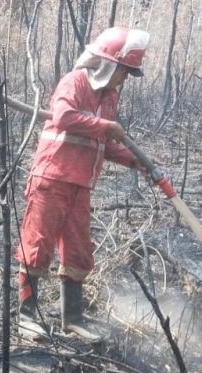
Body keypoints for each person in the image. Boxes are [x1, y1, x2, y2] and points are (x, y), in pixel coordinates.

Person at [15, 26, 150, 342]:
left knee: (78, 251)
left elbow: (104, 142)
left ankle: (72, 318)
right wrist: (106, 125)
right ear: (107, 63)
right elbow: (63, 117)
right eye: (123, 71)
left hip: (80, 185)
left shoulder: (110, 97)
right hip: (51, 177)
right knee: (37, 245)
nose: (124, 79)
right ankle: (26, 316)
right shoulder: (75, 82)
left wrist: (135, 160)